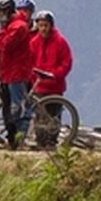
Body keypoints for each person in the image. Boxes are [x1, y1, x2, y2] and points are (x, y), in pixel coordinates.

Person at [0, 0, 32, 148]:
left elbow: (6, 44)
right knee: (7, 107)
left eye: (0, 12)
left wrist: (1, 29)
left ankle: (21, 139)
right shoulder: (9, 25)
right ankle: (11, 139)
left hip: (17, 71)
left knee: (19, 107)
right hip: (6, 71)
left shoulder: (19, 26)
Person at [29, 9, 73, 147]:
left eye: (45, 25)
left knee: (54, 115)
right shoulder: (34, 42)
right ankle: (40, 142)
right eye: (40, 25)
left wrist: (56, 74)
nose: (43, 28)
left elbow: (67, 62)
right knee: (40, 116)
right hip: (39, 85)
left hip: (55, 86)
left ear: (51, 25)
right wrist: (31, 77)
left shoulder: (60, 42)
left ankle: (51, 142)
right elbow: (28, 62)